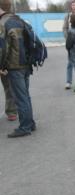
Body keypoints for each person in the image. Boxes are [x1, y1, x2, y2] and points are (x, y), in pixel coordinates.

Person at [0, 0, 36, 138]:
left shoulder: (3, 23)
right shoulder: (19, 20)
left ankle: (25, 127)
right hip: (26, 64)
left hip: (14, 67)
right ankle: (30, 123)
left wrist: (1, 66)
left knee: (20, 98)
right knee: (26, 96)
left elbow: (2, 49)